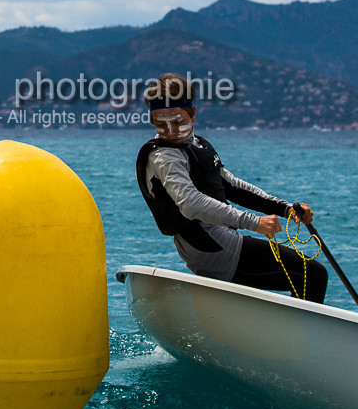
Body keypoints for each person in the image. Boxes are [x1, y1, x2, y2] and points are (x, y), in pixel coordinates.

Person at [135, 73, 328, 303]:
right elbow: (190, 204)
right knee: (313, 275)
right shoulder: (165, 156)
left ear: (193, 113)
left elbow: (232, 187)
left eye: (177, 121)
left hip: (221, 240)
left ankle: (288, 332)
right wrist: (253, 222)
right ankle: (301, 337)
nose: (172, 131)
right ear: (151, 121)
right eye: (161, 124)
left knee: (308, 275)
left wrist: (287, 210)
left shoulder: (197, 145)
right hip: (212, 249)